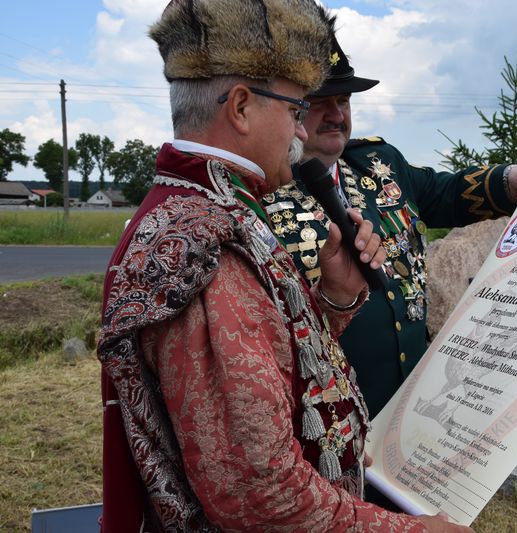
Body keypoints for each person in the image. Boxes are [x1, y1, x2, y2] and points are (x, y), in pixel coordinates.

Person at [97, 1, 471, 531]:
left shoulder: (216, 204)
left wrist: (335, 298)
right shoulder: (203, 244)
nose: (302, 133)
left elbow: (261, 373)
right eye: (296, 111)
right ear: (243, 108)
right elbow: (259, 497)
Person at [263, 33, 517, 417]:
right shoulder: (265, 194)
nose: (337, 114)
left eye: (343, 100)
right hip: (332, 424)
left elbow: (446, 193)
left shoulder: (378, 162)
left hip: (412, 409)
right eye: (320, 102)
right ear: (292, 109)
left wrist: (510, 179)